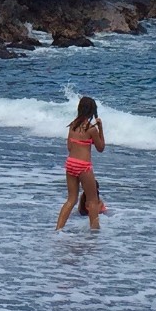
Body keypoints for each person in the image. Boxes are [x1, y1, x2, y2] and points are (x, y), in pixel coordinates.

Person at [56, 95, 108, 229]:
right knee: (92, 201)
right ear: (91, 112)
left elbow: (69, 147)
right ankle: (95, 233)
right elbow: (101, 147)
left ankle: (58, 230)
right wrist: (101, 128)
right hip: (83, 166)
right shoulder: (91, 129)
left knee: (71, 199)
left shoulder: (72, 126)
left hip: (70, 163)